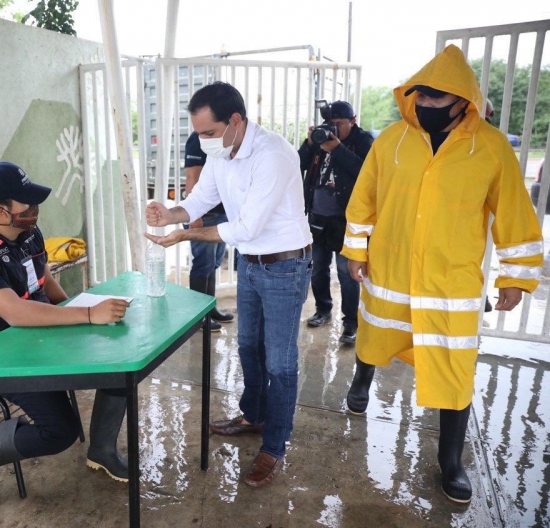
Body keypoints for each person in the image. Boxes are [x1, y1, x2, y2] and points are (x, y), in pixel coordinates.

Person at [341, 45, 543, 503]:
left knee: (455, 371)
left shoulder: (490, 148)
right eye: (422, 99)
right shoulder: (391, 141)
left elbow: (514, 214)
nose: (427, 108)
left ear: (463, 101)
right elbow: (364, 198)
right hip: (390, 271)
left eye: (437, 101)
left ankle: (450, 462)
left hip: (450, 285)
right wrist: (356, 248)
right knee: (375, 336)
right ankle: (361, 382)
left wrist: (516, 276)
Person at [145, 82, 312, 488]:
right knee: (247, 345)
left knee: (280, 361)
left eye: (208, 133)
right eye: (197, 133)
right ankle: (254, 416)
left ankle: (274, 446)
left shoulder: (273, 155)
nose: (203, 142)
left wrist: (185, 236)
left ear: (235, 121)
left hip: (284, 267)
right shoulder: (223, 153)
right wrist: (171, 215)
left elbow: (246, 226)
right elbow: (201, 200)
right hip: (251, 265)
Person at [0, 162, 131, 510]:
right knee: (59, 433)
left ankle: (102, 450)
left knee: (118, 368)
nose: (35, 207)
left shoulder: (29, 233)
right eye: (25, 202)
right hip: (1, 356)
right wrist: (89, 314)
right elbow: (16, 313)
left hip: (42, 339)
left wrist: (77, 313)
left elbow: (43, 281)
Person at [299, 100, 373, 345]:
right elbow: (296, 164)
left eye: (339, 124)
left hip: (347, 221)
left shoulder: (364, 141)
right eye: (331, 124)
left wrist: (337, 148)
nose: (334, 129)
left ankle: (351, 323)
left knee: (346, 273)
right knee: (318, 268)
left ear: (353, 121)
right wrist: (310, 144)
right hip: (318, 217)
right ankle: (323, 310)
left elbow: (366, 173)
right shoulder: (321, 139)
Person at [184, 130, 235, 331]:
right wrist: (193, 215)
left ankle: (209, 309)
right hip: (205, 214)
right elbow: (192, 176)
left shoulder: (224, 139)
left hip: (221, 212)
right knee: (202, 265)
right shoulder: (198, 140)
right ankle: (198, 318)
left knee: (213, 263)